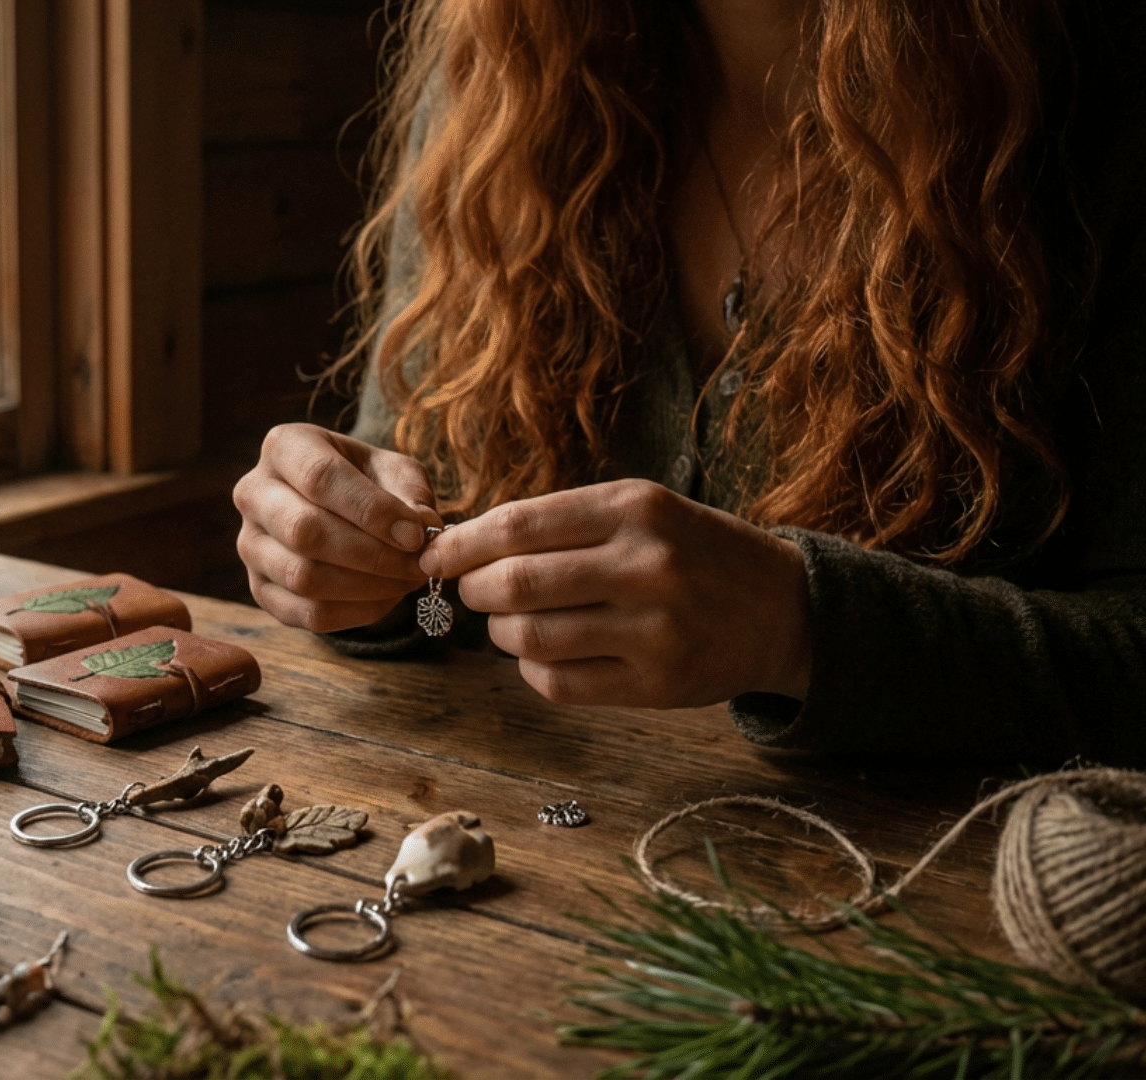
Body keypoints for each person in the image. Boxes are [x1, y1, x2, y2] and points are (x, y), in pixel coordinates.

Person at [233, 0, 1146, 765]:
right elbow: (424, 568)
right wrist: (342, 561)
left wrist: (798, 628)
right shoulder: (499, 75)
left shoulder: (1087, 99)